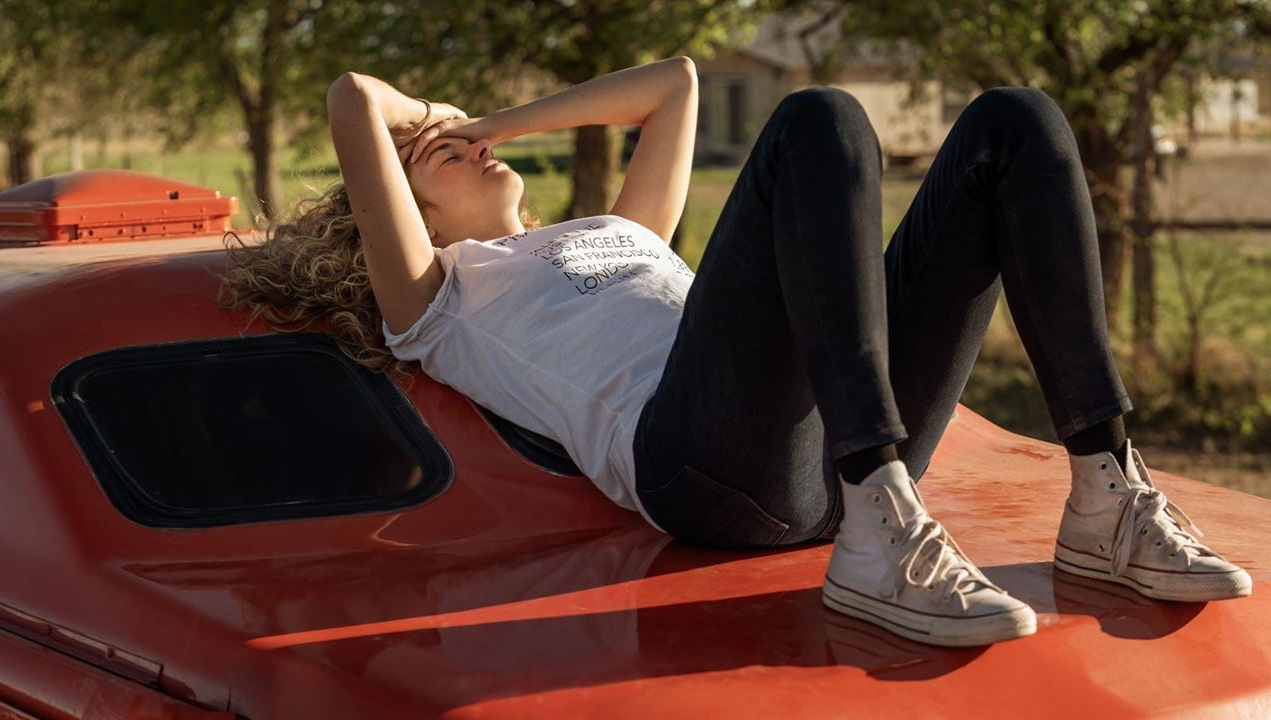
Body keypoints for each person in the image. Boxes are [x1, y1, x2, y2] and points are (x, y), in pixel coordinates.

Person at [218, 57, 1251, 649]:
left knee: (1009, 123)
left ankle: (1104, 493)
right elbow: (356, 95)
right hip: (701, 469)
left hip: (826, 438)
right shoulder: (438, 298)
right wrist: (419, 123)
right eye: (441, 154)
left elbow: (674, 82)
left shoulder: (620, 230)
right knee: (814, 123)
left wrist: (479, 121)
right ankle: (873, 536)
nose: (474, 145)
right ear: (401, 215)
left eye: (470, 138)